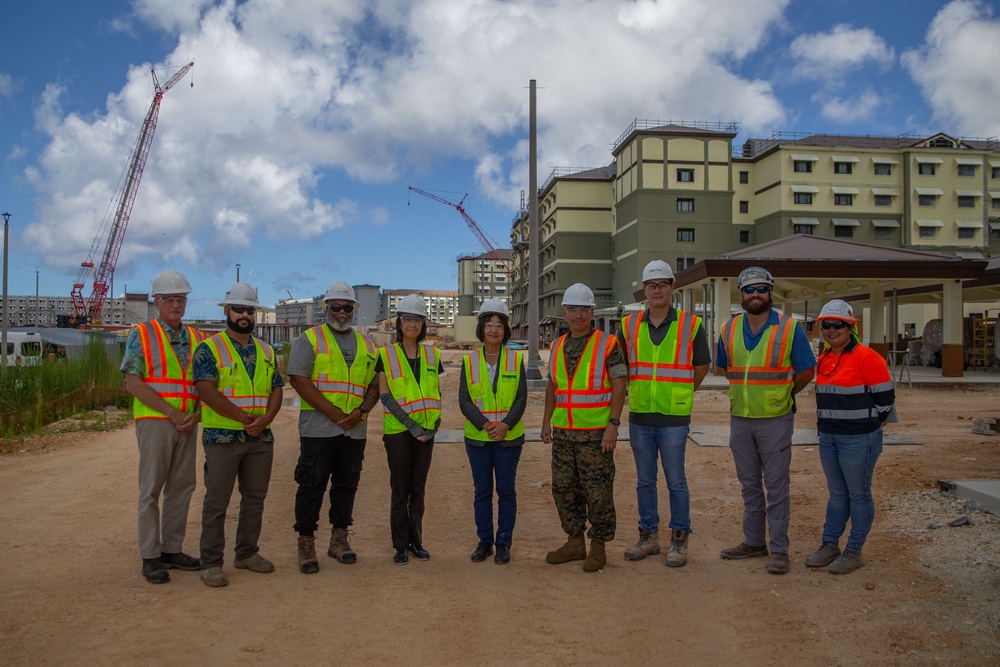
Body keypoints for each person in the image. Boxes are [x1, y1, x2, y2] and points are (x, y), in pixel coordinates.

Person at [716, 266, 816, 575]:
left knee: (776, 486)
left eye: (761, 289)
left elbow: (805, 373)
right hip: (740, 419)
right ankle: (754, 541)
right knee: (749, 486)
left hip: (775, 418)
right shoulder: (728, 329)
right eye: (750, 290)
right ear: (741, 295)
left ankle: (780, 550)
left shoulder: (790, 328)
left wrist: (782, 394)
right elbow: (723, 369)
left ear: (770, 292)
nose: (756, 294)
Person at [620, 260, 710, 567]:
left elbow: (701, 367)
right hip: (641, 416)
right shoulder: (628, 325)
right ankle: (649, 537)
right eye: (651, 285)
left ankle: (679, 540)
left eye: (662, 285)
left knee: (676, 481)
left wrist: (682, 394)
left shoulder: (691, 324)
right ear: (643, 291)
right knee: (645, 481)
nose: (657, 291)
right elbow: (620, 368)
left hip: (674, 418)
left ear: (672, 288)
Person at [193, 282, 283, 588]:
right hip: (223, 438)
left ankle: (246, 553)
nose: (245, 315)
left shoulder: (266, 351)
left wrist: (266, 420)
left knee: (254, 499)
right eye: (239, 309)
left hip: (259, 439)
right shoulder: (210, 348)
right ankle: (211, 562)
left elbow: (277, 389)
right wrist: (245, 418)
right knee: (217, 502)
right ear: (226, 311)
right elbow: (206, 390)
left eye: (250, 310)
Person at [288, 281, 379, 574]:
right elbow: (299, 380)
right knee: (311, 485)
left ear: (353, 310)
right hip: (318, 429)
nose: (341, 312)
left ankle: (339, 540)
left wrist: (361, 412)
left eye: (347, 307)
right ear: (326, 308)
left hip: (353, 431)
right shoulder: (310, 339)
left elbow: (375, 383)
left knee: (346, 486)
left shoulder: (367, 344)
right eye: (336, 307)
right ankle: (306, 543)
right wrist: (338, 413)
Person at [121, 269, 205, 584]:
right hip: (156, 421)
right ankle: (150, 555)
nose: (176, 305)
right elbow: (133, 383)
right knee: (151, 490)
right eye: (169, 299)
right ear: (157, 301)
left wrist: (194, 414)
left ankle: (171, 550)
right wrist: (172, 413)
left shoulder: (197, 338)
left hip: (187, 423)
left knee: (182, 488)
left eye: (180, 299)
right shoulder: (140, 335)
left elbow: (202, 382)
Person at [541, 283, 628, 573]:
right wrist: (546, 422)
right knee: (564, 489)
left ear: (592, 313)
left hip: (595, 436)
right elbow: (553, 386)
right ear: (564, 313)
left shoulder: (608, 343)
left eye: (583, 310)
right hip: (564, 434)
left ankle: (598, 548)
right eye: (572, 309)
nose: (577, 315)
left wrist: (613, 425)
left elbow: (619, 384)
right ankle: (575, 541)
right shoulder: (555, 346)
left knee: (598, 491)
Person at [807, 299, 895, 575]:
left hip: (859, 439)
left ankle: (854, 550)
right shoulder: (824, 360)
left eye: (838, 325)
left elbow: (885, 401)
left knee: (858, 495)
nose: (831, 330)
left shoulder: (867, 358)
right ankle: (830, 544)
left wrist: (865, 425)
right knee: (837, 495)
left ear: (850, 327)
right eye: (826, 326)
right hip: (829, 438)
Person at [459, 299, 528, 565]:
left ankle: (503, 543)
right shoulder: (469, 361)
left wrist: (505, 425)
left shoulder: (515, 359)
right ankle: (485, 541)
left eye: (499, 325)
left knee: (507, 491)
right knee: (483, 491)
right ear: (481, 328)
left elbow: (521, 398)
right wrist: (486, 424)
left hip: (509, 439)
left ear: (505, 330)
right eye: (489, 324)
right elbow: (464, 399)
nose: (494, 329)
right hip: (478, 439)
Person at [377, 294, 443, 565]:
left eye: (417, 320)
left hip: (426, 433)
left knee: (418, 490)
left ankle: (417, 542)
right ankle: (400, 545)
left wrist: (434, 425)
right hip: (399, 432)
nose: (412, 325)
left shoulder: (433, 353)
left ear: (423, 323)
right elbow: (385, 396)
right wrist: (412, 425)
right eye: (407, 320)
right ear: (399, 322)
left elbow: (434, 392)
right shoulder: (386, 354)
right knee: (400, 489)